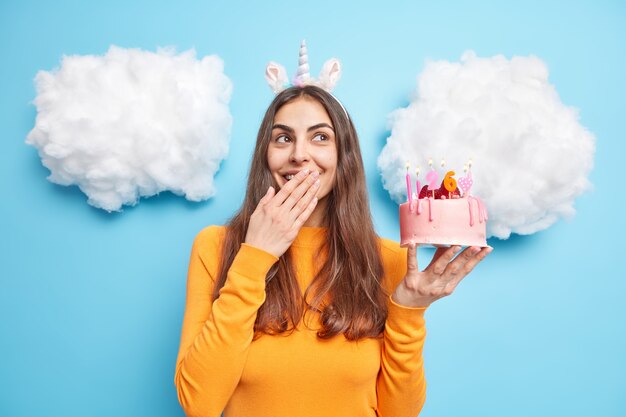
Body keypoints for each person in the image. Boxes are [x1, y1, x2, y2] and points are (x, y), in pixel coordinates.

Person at [174, 84, 492, 417]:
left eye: (320, 137)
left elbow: (399, 413)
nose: (299, 154)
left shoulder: (389, 260)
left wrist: (409, 312)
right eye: (283, 138)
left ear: (344, 156)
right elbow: (200, 404)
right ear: (264, 155)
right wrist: (254, 256)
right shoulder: (216, 246)